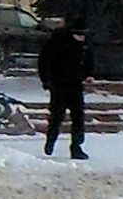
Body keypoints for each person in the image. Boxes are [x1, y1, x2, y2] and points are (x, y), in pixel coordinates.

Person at [35, 14, 92, 160]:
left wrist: (88, 74)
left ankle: (76, 146)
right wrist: (46, 80)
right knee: (57, 116)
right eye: (79, 35)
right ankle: (51, 140)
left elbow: (89, 60)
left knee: (78, 117)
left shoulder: (84, 44)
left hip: (76, 84)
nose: (82, 38)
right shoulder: (57, 41)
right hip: (59, 84)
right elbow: (44, 61)